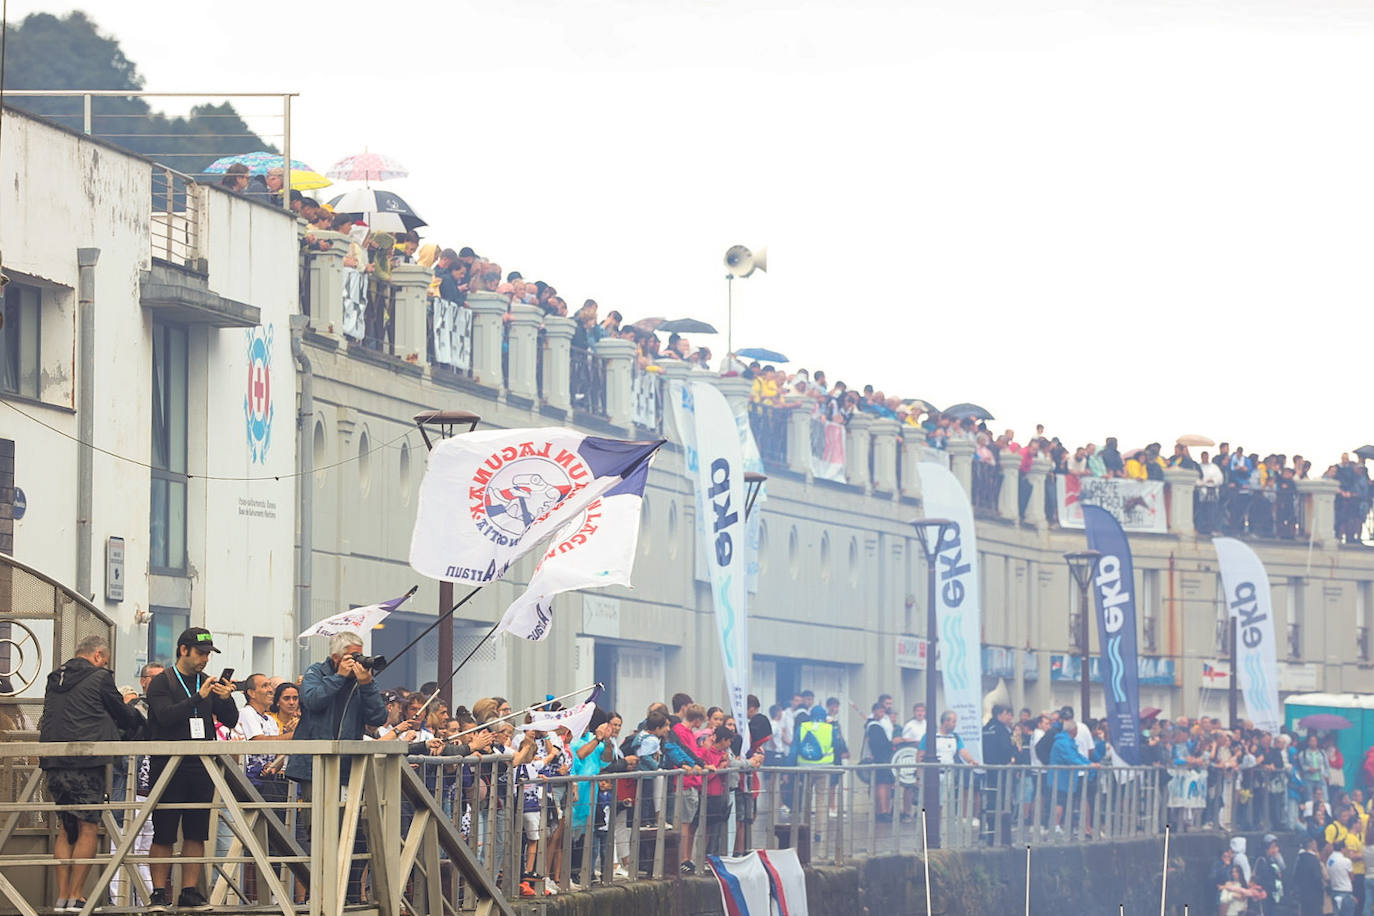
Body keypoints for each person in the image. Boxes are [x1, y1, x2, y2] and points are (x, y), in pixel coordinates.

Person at [39, 635, 144, 913]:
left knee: (65, 827)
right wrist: (138, 720)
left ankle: (62, 897)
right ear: (98, 655)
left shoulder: (54, 678)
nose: (105, 664)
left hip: (54, 760)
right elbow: (120, 713)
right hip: (86, 761)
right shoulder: (100, 677)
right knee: (87, 827)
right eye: (105, 660)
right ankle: (77, 896)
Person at [285, 631, 388, 903]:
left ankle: (347, 893)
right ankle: (319, 895)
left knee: (351, 832)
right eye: (353, 656)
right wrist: (340, 677)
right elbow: (313, 701)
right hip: (314, 767)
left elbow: (378, 717)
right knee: (319, 830)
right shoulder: (316, 673)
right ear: (336, 657)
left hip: (347, 769)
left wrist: (366, 684)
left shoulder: (361, 681)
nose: (358, 661)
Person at [144, 628, 238, 912]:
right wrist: (198, 697)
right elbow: (164, 716)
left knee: (197, 832)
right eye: (200, 653)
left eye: (208, 654)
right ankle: (159, 892)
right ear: (183, 650)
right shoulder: (162, 682)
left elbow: (231, 719)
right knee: (164, 832)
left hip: (200, 765)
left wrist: (224, 698)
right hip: (168, 766)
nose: (205, 660)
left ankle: (189, 891)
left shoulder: (206, 681)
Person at [1252, 834, 1285, 916]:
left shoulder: (1273, 859)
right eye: (1272, 847)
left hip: (1273, 895)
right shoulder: (1262, 860)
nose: (1274, 849)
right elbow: (1263, 878)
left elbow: (1282, 869)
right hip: (1265, 894)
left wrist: (1278, 857)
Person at [1294, 834, 1326, 916]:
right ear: (1312, 844)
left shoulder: (1300, 859)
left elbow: (1296, 876)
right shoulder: (1313, 860)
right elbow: (1318, 877)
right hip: (1314, 895)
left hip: (1303, 894)